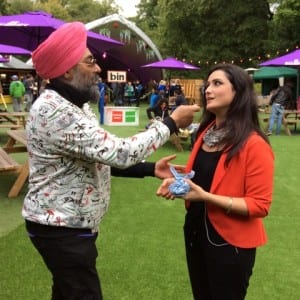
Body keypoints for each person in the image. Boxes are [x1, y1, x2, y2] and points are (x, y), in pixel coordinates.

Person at [23, 21, 200, 300]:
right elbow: (119, 152)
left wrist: (151, 168)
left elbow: (100, 157)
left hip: (67, 227)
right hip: (61, 230)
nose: (98, 69)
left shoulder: (75, 106)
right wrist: (170, 123)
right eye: (90, 61)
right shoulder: (55, 111)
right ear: (67, 70)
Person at [157, 64, 274, 300]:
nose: (208, 89)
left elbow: (259, 205)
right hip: (196, 231)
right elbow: (201, 178)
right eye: (207, 84)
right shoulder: (205, 131)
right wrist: (176, 180)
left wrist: (206, 197)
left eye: (217, 83)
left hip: (231, 243)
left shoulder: (254, 144)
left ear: (238, 92)